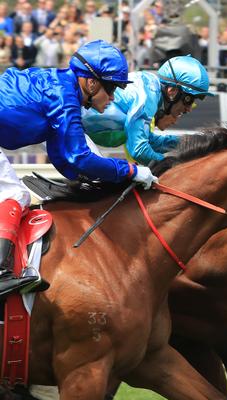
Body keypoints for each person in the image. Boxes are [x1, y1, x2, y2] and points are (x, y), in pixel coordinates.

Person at [0, 39, 157, 296]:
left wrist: (94, 180)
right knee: (15, 195)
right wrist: (130, 171)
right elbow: (78, 157)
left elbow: (62, 157)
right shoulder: (63, 96)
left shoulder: (63, 88)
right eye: (112, 88)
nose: (114, 97)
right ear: (92, 82)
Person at [82, 55, 212, 165]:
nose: (189, 109)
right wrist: (176, 167)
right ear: (172, 91)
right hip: (70, 127)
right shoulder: (148, 96)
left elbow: (151, 141)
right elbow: (139, 150)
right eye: (189, 100)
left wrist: (193, 141)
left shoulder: (151, 88)